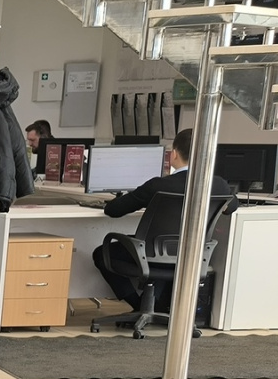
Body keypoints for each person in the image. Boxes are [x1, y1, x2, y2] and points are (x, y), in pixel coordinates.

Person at [91, 127, 231, 312]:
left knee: (102, 253)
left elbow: (113, 210)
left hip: (151, 253)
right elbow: (232, 206)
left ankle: (138, 305)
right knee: (161, 249)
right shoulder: (219, 185)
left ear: (174, 154)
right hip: (192, 254)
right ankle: (153, 306)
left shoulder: (158, 185)